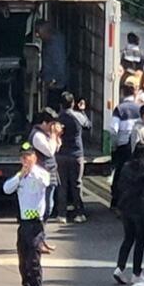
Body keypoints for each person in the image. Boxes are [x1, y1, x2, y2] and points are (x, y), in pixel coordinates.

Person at [3, 142, 50, 286]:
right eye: (23, 157)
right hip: (23, 224)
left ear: (34, 158)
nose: (25, 160)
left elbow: (45, 181)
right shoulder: (20, 176)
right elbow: (7, 189)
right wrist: (21, 175)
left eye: (28, 157)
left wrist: (32, 171)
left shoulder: (40, 174)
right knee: (23, 264)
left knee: (34, 264)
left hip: (35, 224)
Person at [114, 144, 144, 284]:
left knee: (128, 238)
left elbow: (119, 185)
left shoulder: (126, 167)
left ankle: (119, 268)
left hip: (126, 207)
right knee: (140, 242)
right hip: (142, 209)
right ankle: (136, 273)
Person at [56, 92, 90, 224]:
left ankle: (62, 214)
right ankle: (79, 213)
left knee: (62, 185)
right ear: (73, 103)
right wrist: (82, 111)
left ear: (60, 105)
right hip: (76, 154)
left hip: (60, 155)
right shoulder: (78, 116)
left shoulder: (57, 119)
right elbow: (88, 125)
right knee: (76, 184)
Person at [110, 84, 142, 209]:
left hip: (123, 146)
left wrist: (114, 145)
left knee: (120, 173)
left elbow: (113, 130)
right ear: (134, 94)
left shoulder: (119, 109)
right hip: (137, 146)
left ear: (122, 93)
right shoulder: (139, 108)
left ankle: (116, 201)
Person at [28, 111, 61, 231]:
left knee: (49, 206)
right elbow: (49, 151)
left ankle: (41, 237)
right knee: (44, 207)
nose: (52, 127)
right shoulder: (37, 135)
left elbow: (55, 148)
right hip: (42, 174)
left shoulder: (44, 133)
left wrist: (56, 137)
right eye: (51, 124)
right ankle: (37, 236)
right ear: (44, 123)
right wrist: (53, 135)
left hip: (50, 172)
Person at [36, 22, 67, 109]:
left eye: (39, 32)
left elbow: (60, 64)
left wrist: (55, 80)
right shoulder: (48, 43)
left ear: (46, 32)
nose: (37, 35)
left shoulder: (55, 45)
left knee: (53, 109)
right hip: (51, 83)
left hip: (56, 86)